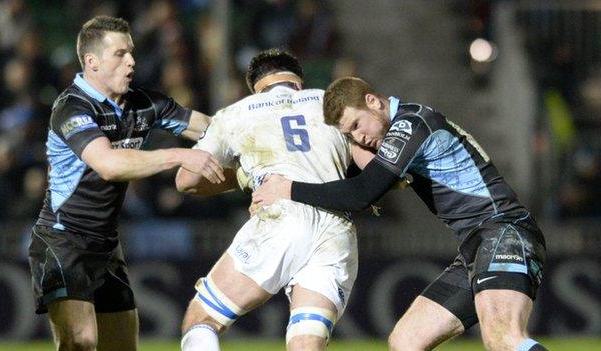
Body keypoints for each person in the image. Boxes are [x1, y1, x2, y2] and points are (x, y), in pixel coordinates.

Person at [253, 77, 548, 351]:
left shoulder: (410, 125)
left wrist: (287, 189)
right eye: (350, 134)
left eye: (357, 125)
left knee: (503, 339)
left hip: (504, 233)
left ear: (373, 101)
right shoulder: (406, 125)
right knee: (406, 340)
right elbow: (378, 180)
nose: (359, 137)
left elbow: (360, 194)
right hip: (477, 244)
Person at [28, 16, 224, 351]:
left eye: (131, 52)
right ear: (92, 62)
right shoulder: (71, 107)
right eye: (120, 54)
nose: (131, 60)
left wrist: (256, 130)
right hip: (62, 241)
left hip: (107, 246)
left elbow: (210, 128)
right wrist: (179, 156)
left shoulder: (144, 103)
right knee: (81, 342)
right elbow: (109, 165)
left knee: (121, 347)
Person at [175, 49, 374, 351]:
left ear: (255, 86)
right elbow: (374, 169)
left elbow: (186, 180)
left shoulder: (237, 113)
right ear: (299, 81)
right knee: (306, 342)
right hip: (335, 230)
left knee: (201, 319)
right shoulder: (330, 104)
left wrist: (243, 177)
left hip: (280, 220)